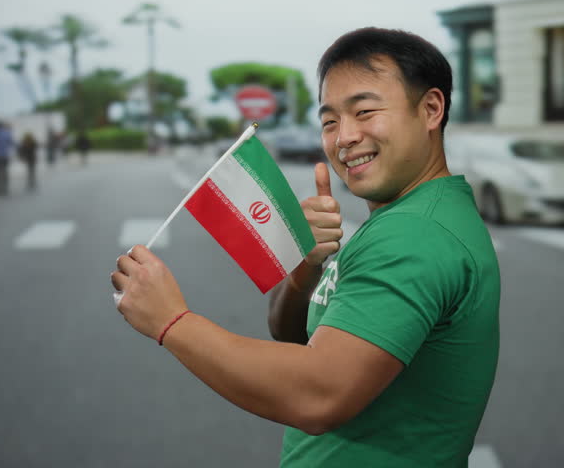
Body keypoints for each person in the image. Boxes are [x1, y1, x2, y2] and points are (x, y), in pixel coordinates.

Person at [111, 27, 501, 467]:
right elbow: (296, 336)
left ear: (431, 109)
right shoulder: (417, 213)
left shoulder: (414, 235)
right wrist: (306, 267)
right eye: (330, 121)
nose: (344, 137)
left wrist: (172, 321)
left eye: (365, 111)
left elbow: (320, 393)